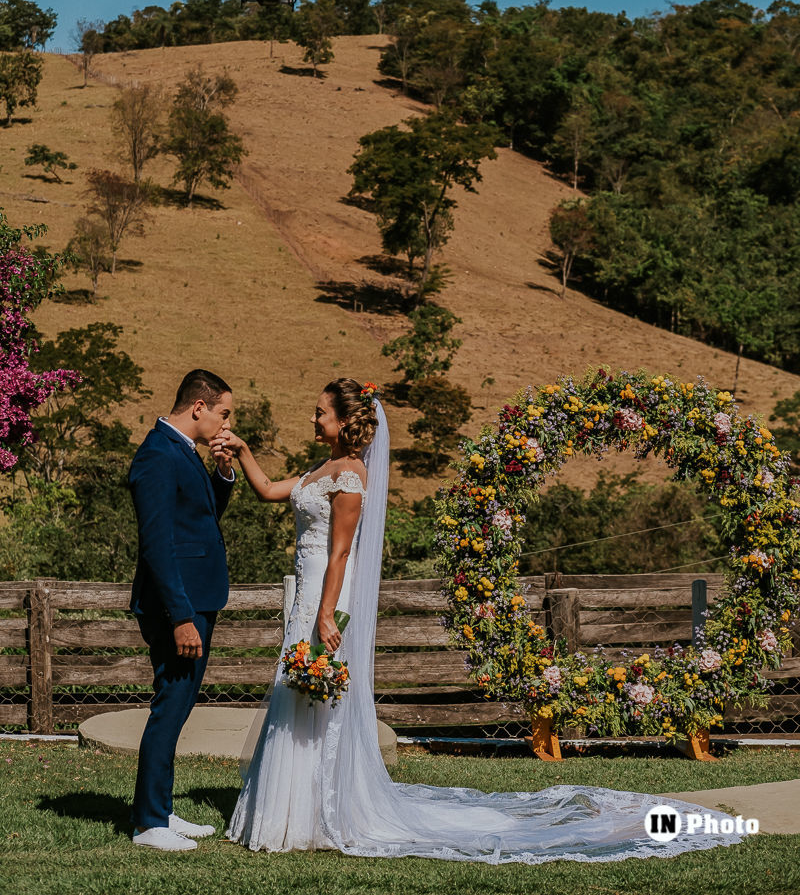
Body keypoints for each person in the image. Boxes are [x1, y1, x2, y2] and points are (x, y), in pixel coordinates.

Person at [223, 378, 744, 864]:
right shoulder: (321, 469)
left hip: (325, 596)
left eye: (320, 414)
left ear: (344, 421)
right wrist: (241, 450)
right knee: (296, 689)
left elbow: (340, 555)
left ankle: (315, 812)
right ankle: (290, 809)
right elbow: (270, 490)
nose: (313, 420)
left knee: (315, 695)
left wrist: (325, 614)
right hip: (308, 593)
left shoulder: (352, 476)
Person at [128, 368, 236, 852]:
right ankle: (149, 823)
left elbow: (201, 517)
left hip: (196, 599)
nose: (226, 424)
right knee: (170, 705)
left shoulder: (184, 452)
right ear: (199, 407)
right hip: (180, 605)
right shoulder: (156, 455)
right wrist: (181, 616)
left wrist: (224, 471)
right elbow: (157, 545)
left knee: (179, 704)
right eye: (224, 413)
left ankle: (163, 810)